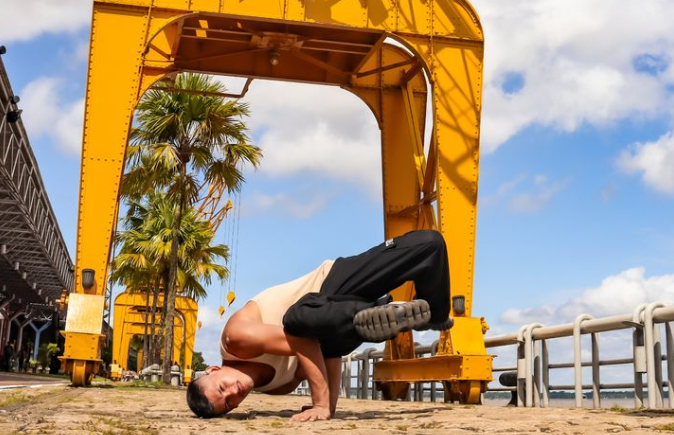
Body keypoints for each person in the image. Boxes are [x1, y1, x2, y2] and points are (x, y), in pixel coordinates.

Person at [187, 230, 453, 421]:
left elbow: (303, 341)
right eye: (230, 403)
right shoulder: (278, 387)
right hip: (340, 325)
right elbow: (327, 355)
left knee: (429, 243)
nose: (235, 393)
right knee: (312, 331)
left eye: (224, 388)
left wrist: (321, 404)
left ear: (212, 370)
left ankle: (432, 314)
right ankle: (383, 313)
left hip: (333, 282)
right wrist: (330, 408)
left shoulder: (235, 339)